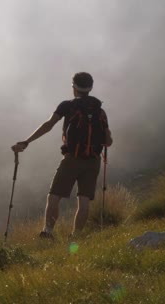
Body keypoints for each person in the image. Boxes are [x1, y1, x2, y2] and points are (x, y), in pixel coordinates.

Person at [11, 72, 113, 240]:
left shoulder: (67, 106)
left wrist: (26, 141)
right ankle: (76, 237)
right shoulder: (99, 110)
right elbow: (108, 141)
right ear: (91, 87)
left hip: (72, 159)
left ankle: (48, 233)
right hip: (93, 161)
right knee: (84, 201)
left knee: (54, 197)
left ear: (74, 88)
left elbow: (48, 125)